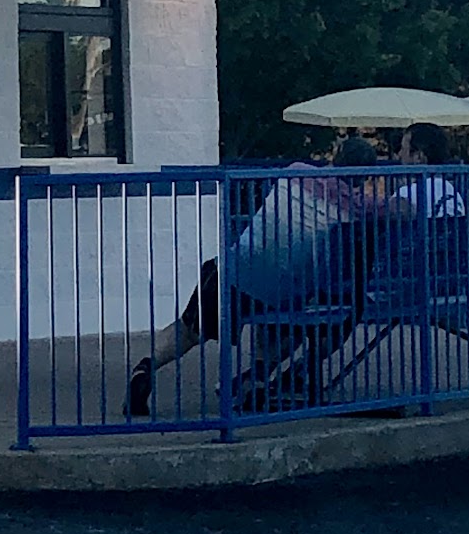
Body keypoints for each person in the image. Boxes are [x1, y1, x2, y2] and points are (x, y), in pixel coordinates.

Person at [125, 152, 371, 418]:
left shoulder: (295, 171)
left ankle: (146, 367)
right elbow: (396, 209)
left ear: (333, 160)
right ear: (363, 178)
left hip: (232, 270)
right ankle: (255, 377)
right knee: (291, 326)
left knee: (188, 330)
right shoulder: (355, 208)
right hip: (281, 289)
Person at [388, 122, 466, 217]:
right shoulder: (452, 191)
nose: (399, 155)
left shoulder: (408, 193)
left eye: (403, 149)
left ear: (418, 157)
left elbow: (388, 214)